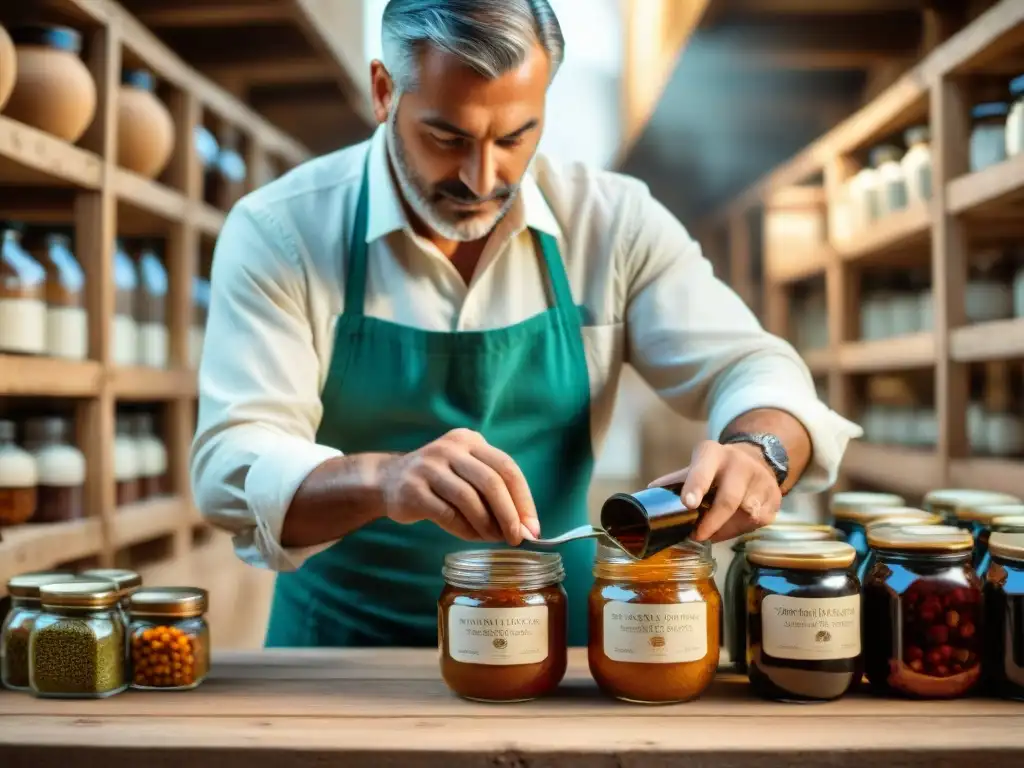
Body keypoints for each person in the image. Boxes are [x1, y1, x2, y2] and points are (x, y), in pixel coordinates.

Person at [190, 0, 861, 648]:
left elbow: (754, 368)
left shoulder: (612, 224)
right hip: (342, 656)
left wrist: (758, 452)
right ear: (382, 90)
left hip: (552, 653)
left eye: (515, 136)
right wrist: (386, 480)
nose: (483, 177)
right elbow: (231, 464)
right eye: (445, 136)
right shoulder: (283, 230)